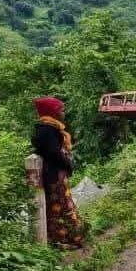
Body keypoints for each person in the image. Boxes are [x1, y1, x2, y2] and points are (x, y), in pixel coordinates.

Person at [31, 97, 87, 248]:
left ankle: (66, 238)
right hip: (54, 176)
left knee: (61, 205)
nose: (63, 113)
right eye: (61, 110)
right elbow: (53, 153)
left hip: (56, 174)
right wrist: (68, 164)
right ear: (52, 112)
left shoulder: (50, 127)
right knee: (60, 207)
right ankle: (67, 239)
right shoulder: (47, 129)